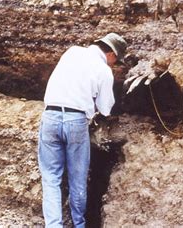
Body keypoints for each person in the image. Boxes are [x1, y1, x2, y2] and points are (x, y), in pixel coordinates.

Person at [38, 33, 127, 227]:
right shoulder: (103, 70)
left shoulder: (72, 52)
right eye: (115, 60)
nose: (114, 64)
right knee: (78, 180)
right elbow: (105, 108)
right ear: (111, 53)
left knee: (51, 178)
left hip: (50, 117)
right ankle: (79, 224)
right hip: (75, 121)